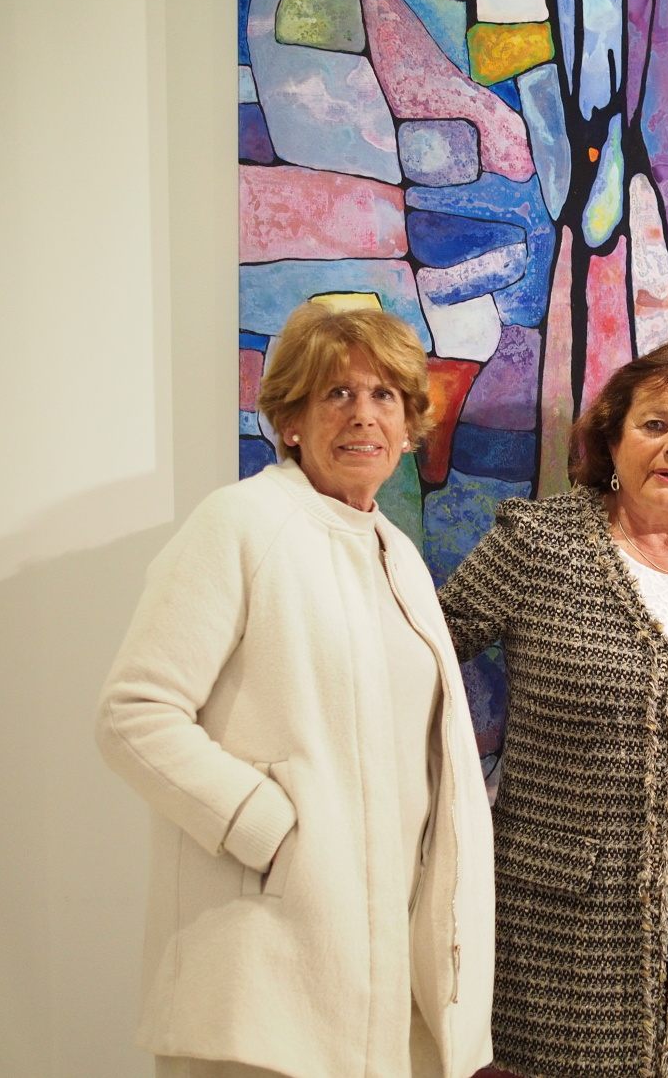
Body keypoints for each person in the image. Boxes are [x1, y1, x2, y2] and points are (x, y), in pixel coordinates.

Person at [96, 305, 495, 1078]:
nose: (363, 415)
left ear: (409, 427)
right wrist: (267, 827)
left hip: (383, 963)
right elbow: (132, 712)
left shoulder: (398, 555)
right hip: (264, 970)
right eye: (336, 393)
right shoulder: (242, 522)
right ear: (289, 420)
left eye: (384, 396)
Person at [437, 341, 668, 1077]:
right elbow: (418, 654)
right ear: (613, 440)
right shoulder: (539, 544)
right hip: (558, 945)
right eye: (655, 423)